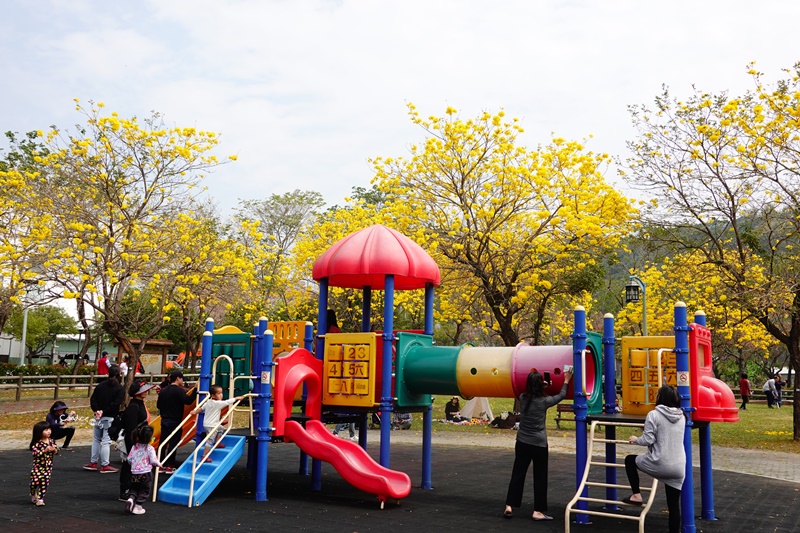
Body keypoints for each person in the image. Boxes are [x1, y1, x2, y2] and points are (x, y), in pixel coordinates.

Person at [503, 369, 573, 521]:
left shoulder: (522, 398)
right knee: (540, 477)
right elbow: (560, 396)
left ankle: (509, 505)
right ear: (540, 385)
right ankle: (538, 511)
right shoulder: (544, 401)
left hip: (522, 442)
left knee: (518, 473)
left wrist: (541, 387)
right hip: (539, 444)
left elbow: (532, 394)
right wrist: (566, 380)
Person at [622, 385, 686, 533]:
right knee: (674, 506)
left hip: (659, 463)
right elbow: (665, 433)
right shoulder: (682, 416)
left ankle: (636, 495)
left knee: (630, 461)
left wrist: (636, 439)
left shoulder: (654, 414)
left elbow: (648, 440)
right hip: (678, 467)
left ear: (660, 398)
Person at [119, 380, 155, 501]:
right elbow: (130, 427)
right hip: (133, 441)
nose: (146, 392)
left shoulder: (139, 403)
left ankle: (133, 488)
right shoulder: (134, 406)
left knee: (137, 465)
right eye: (143, 390)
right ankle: (125, 490)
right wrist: (136, 442)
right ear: (138, 393)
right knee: (129, 464)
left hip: (139, 440)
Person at [84, 364, 124, 473]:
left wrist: (97, 410)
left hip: (97, 417)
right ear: (118, 375)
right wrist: (104, 411)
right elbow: (116, 404)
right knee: (106, 441)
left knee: (96, 439)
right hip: (109, 417)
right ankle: (105, 464)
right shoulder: (119, 388)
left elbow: (93, 399)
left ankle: (93, 462)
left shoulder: (100, 386)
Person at [156, 370, 197, 473]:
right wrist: (195, 390)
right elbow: (188, 401)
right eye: (182, 378)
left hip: (164, 420)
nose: (182, 381)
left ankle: (160, 464)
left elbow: (158, 405)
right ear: (178, 378)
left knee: (163, 442)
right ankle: (170, 465)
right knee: (173, 443)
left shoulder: (164, 391)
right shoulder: (179, 391)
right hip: (175, 420)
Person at [191, 385, 243, 461]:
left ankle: (218, 442)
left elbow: (201, 409)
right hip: (212, 426)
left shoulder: (208, 402)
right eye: (219, 393)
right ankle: (204, 456)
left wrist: (195, 412)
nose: (221, 395)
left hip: (208, 424)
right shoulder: (218, 403)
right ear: (213, 395)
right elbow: (227, 402)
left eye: (221, 393)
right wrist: (236, 398)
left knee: (221, 428)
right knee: (210, 441)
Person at [124, 423, 162, 515]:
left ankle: (131, 499)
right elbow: (153, 460)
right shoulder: (150, 448)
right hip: (146, 473)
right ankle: (138, 506)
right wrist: (159, 464)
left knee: (134, 488)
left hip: (134, 473)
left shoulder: (134, 447)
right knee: (144, 490)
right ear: (149, 438)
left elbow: (129, 459)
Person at [30, 420, 58, 506]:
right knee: (34, 482)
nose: (49, 431)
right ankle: (33, 493)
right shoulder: (37, 443)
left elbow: (56, 451)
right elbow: (35, 453)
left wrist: (54, 450)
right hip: (38, 467)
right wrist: (45, 451)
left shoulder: (51, 441)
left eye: (49, 429)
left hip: (48, 467)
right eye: (46, 430)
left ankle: (41, 498)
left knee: (44, 482)